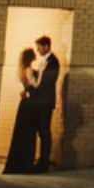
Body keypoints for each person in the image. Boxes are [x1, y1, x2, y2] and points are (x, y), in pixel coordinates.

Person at [2, 46, 42, 173]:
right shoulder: (29, 70)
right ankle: (25, 164)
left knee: (21, 133)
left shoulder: (21, 70)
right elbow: (36, 85)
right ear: (30, 57)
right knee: (29, 133)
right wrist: (41, 73)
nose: (36, 54)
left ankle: (18, 162)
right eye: (33, 53)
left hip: (24, 104)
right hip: (30, 105)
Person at [29, 35, 61, 172]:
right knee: (41, 131)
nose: (37, 50)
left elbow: (46, 83)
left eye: (39, 47)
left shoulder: (53, 62)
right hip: (41, 102)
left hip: (45, 102)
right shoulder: (44, 61)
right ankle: (41, 161)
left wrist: (31, 93)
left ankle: (43, 163)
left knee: (44, 131)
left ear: (46, 47)